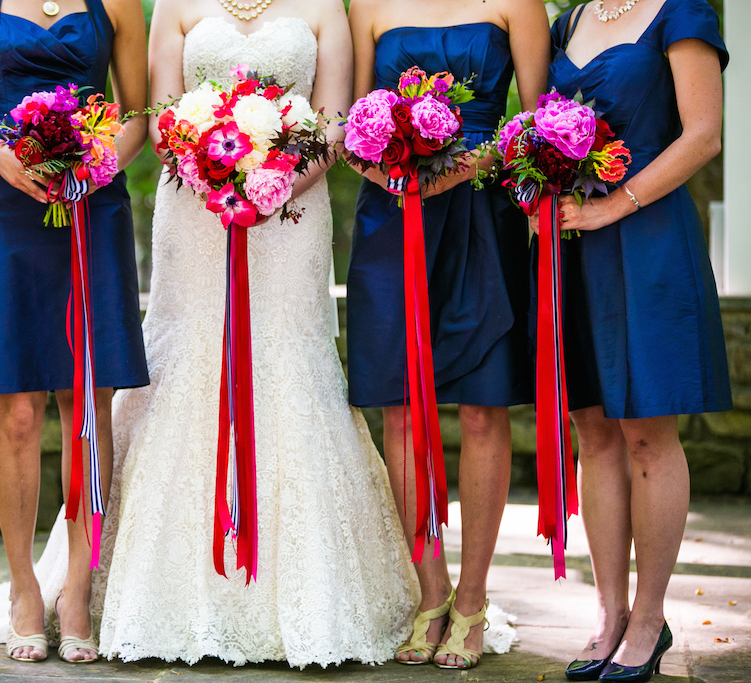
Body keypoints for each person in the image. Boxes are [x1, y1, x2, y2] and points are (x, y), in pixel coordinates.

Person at [87, 0, 416, 666]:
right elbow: (162, 116)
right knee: (193, 359)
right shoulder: (174, 5)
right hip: (196, 213)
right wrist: (216, 170)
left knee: (285, 358)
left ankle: (301, 597)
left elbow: (332, 122)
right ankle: (165, 592)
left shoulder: (327, 6)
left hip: (290, 216)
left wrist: (275, 185)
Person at [0, 0, 148, 664]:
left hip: (91, 200)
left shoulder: (116, 4)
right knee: (18, 410)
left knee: (87, 401)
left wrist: (102, 156)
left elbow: (137, 111)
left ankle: (78, 586)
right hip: (0, 206)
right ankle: (24, 585)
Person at [345, 0, 549, 670]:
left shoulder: (517, 5)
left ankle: (472, 598)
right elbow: (350, 129)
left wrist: (470, 163)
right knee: (400, 408)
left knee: (484, 409)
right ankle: (430, 592)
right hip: (394, 217)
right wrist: (392, 174)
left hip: (483, 213)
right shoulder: (367, 6)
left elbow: (537, 122)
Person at [546, 1, 730, 680]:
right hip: (575, 247)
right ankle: (610, 614)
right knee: (591, 430)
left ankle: (650, 619)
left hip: (647, 237)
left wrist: (612, 205)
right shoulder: (570, 18)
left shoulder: (682, 11)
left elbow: (703, 134)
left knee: (648, 432)